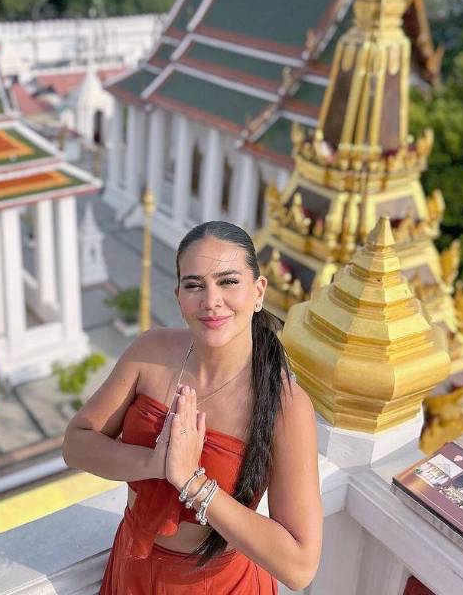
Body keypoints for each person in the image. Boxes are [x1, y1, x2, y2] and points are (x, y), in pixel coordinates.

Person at [63, 221, 322, 593]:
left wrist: (191, 482)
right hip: (132, 567)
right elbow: (76, 443)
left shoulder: (286, 406)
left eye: (228, 281)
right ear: (179, 295)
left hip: (217, 583)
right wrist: (153, 463)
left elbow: (300, 567)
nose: (211, 300)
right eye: (195, 285)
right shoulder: (150, 353)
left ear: (258, 291)